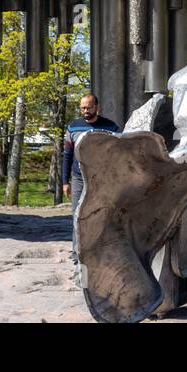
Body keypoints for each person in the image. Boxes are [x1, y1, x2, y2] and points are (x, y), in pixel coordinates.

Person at [62, 93, 121, 259]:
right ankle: (77, 254)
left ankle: (99, 251)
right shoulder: (73, 127)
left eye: (89, 107)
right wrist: (64, 182)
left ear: (97, 107)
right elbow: (66, 154)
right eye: (82, 108)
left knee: (101, 214)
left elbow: (119, 154)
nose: (85, 111)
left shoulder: (112, 128)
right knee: (77, 214)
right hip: (78, 177)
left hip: (101, 178)